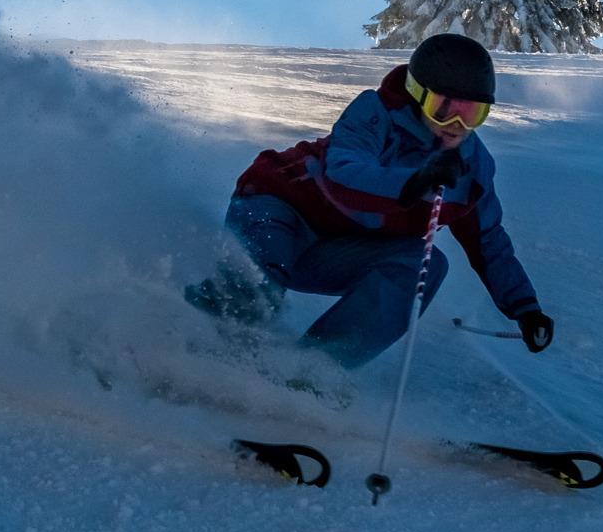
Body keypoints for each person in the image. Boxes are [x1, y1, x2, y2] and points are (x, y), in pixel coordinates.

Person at [185, 33, 555, 369]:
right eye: (444, 108)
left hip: (335, 251)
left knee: (424, 265)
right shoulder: (375, 113)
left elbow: (488, 241)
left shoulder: (471, 168)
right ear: (418, 93)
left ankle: (315, 369)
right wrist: (414, 181)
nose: (456, 123)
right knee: (255, 293)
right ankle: (192, 342)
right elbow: (344, 174)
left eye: (473, 113)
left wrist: (524, 307)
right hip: (278, 208)